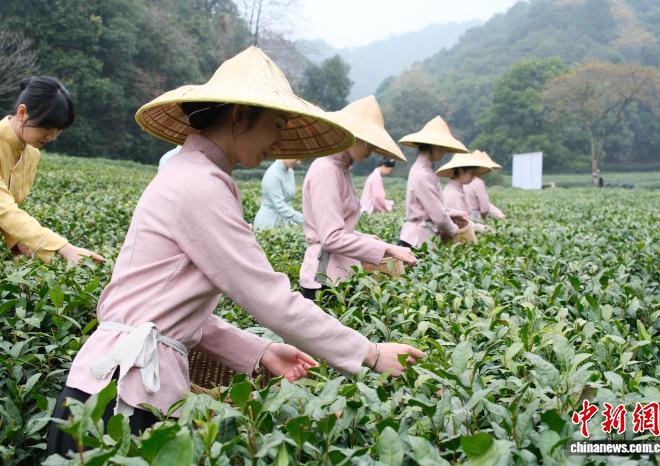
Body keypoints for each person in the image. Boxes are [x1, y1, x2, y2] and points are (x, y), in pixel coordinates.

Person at [47, 48, 424, 457]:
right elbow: (269, 298)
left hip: (102, 390)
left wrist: (260, 351)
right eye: (275, 125)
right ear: (240, 116)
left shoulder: (189, 174)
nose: (277, 140)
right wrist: (370, 353)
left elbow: (172, 314)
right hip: (122, 396)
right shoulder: (200, 185)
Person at [299, 95, 415, 299]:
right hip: (324, 280)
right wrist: (387, 248)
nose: (371, 150)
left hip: (339, 275)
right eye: (367, 141)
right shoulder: (327, 170)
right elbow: (331, 238)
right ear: (350, 134)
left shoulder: (339, 168)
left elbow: (339, 227)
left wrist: (366, 238)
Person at [0, 76, 104, 264]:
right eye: (47, 127)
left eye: (58, 129)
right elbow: (3, 209)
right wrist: (64, 247)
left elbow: (9, 205)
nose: (52, 137)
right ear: (22, 113)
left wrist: (16, 241)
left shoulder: (32, 154)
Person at [397, 116, 470, 248]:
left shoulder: (426, 170)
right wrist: (454, 230)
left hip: (422, 237)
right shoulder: (422, 173)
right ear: (434, 146)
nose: (444, 152)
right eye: (443, 148)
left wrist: (455, 213)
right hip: (417, 240)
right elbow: (437, 215)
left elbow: (432, 206)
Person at [435, 152, 493, 233]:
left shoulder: (457, 189)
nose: (473, 178)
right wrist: (486, 229)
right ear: (461, 171)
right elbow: (462, 225)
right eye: (471, 174)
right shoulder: (454, 194)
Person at [253, 158, 304, 230]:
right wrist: (303, 219)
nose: (299, 162)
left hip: (286, 220)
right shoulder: (273, 174)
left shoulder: (290, 171)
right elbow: (280, 205)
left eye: (301, 159)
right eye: (296, 159)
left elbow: (288, 202)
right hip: (269, 222)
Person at [462, 150, 506, 221]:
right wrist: (485, 218)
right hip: (474, 216)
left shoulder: (462, 180)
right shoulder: (478, 182)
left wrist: (499, 214)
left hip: (462, 215)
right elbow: (485, 208)